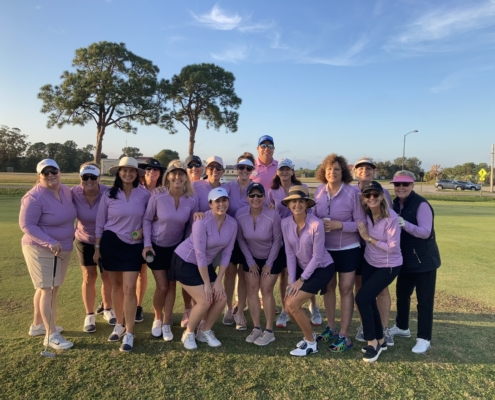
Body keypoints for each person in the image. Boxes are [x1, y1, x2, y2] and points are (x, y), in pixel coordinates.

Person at [19, 159, 77, 350]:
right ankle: (51, 335)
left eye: (54, 171)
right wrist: (50, 241)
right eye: (46, 173)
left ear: (60, 172)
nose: (51, 175)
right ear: (39, 176)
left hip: (63, 248)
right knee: (48, 290)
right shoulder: (33, 197)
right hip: (41, 248)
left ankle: (38, 326)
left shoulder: (66, 191)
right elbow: (27, 225)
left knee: (49, 288)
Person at [94, 157, 150, 352]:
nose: (128, 174)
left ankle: (130, 332)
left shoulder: (144, 195)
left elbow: (150, 219)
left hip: (134, 246)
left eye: (132, 171)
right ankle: (119, 324)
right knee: (116, 285)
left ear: (136, 174)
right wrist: (97, 248)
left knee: (129, 288)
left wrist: (142, 232)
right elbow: (100, 223)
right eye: (124, 170)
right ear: (119, 173)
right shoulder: (109, 195)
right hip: (111, 243)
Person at [313, 154, 366, 353]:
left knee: (345, 289)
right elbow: (313, 216)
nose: (332, 173)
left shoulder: (352, 193)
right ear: (323, 172)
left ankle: (344, 334)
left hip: (348, 249)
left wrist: (339, 225)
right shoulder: (318, 191)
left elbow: (361, 224)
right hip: (325, 249)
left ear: (342, 171)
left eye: (336, 169)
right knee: (328, 288)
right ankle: (331, 328)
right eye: (328, 169)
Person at [173, 187, 237, 350]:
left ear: (228, 202)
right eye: (217, 201)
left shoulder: (232, 223)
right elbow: (199, 254)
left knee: (221, 298)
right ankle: (188, 333)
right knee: (204, 300)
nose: (221, 204)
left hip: (204, 265)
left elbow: (227, 253)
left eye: (224, 200)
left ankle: (205, 330)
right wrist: (208, 284)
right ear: (210, 204)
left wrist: (218, 281)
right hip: (185, 261)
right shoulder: (201, 222)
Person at [142, 160, 198, 341]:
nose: (178, 177)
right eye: (174, 173)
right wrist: (147, 244)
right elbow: (147, 220)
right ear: (168, 176)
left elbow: (191, 226)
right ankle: (157, 318)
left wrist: (187, 245)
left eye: (181, 174)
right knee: (162, 285)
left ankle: (167, 322)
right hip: (157, 247)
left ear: (186, 177)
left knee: (172, 285)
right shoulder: (157, 196)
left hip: (178, 249)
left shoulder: (191, 199)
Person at [390, 170, 441, 354]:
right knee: (402, 295)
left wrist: (406, 224)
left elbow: (425, 232)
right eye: (397, 184)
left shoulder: (421, 204)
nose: (401, 187)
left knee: (424, 301)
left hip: (424, 260)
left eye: (405, 184)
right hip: (404, 259)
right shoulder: (395, 204)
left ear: (412, 185)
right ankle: (402, 327)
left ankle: (424, 338)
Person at [281, 186, 334, 356]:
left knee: (292, 304)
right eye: (293, 201)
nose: (297, 204)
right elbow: (289, 253)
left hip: (323, 268)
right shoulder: (285, 223)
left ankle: (311, 343)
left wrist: (300, 280)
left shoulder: (315, 224)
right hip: (304, 270)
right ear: (289, 205)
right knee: (288, 305)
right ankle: (309, 336)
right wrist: (291, 282)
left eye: (301, 201)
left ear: (306, 204)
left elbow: (318, 256)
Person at [268, 158, 321, 328]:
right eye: (281, 169)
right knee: (285, 274)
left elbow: (309, 209)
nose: (284, 172)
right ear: (277, 171)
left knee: (306, 271)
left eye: (287, 169)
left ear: (292, 171)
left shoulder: (301, 187)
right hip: (284, 236)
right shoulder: (273, 190)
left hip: (303, 234)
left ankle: (314, 306)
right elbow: (271, 210)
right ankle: (285, 310)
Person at [356, 181, 402, 362]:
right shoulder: (366, 213)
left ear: (382, 196)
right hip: (369, 262)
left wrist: (368, 238)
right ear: (364, 198)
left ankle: (371, 342)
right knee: (369, 300)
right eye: (368, 195)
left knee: (361, 298)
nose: (372, 198)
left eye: (375, 194)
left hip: (389, 265)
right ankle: (380, 340)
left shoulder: (391, 217)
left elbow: (392, 247)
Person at [352, 158, 394, 346]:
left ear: (374, 171)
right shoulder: (352, 191)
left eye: (368, 168)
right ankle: (365, 325)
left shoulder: (382, 192)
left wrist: (371, 238)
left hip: (379, 248)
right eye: (361, 168)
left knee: (381, 288)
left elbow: (389, 220)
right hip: (357, 246)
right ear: (355, 171)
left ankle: (383, 328)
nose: (365, 171)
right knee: (360, 286)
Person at [236, 182, 283, 345]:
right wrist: (250, 262)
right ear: (247, 197)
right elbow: (241, 239)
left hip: (273, 256)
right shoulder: (240, 214)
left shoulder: (273, 215)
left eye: (259, 195)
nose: (255, 198)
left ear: (264, 197)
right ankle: (257, 327)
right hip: (251, 257)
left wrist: (269, 264)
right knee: (252, 290)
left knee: (267, 290)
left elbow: (277, 241)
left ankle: (269, 331)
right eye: (252, 195)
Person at [71, 162, 114, 333]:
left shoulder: (108, 192)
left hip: (106, 240)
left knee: (107, 277)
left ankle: (107, 309)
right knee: (89, 276)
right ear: (80, 177)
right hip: (83, 239)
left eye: (93, 177)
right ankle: (89, 314)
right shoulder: (73, 192)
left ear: (99, 177)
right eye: (85, 177)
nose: (89, 180)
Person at [222, 153, 256, 330]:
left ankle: (240, 311)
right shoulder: (227, 187)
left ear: (252, 170)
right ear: (236, 169)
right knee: (229, 273)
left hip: (248, 238)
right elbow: (217, 204)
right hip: (229, 237)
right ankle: (228, 309)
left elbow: (263, 204)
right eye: (241, 167)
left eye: (248, 168)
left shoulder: (256, 188)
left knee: (243, 275)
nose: (244, 171)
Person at [131, 158, 165, 323]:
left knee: (141, 272)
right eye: (149, 169)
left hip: (149, 236)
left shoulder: (163, 191)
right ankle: (113, 303)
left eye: (156, 170)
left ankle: (137, 305)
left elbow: (160, 216)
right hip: (130, 235)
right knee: (123, 272)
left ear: (160, 173)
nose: (152, 172)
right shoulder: (135, 187)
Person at [180, 154, 204, 328]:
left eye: (197, 166)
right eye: (190, 166)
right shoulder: (180, 185)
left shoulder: (205, 185)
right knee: (185, 278)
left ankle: (199, 310)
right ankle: (187, 309)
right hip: (183, 237)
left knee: (201, 277)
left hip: (204, 240)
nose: (194, 169)